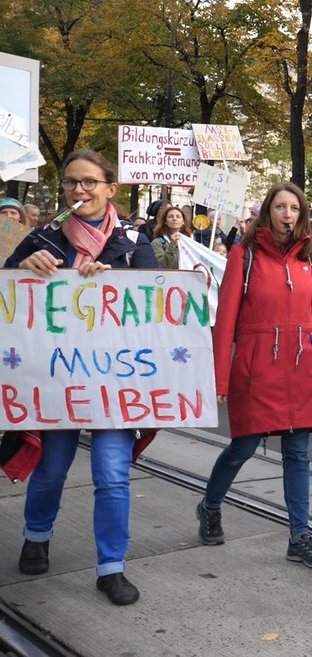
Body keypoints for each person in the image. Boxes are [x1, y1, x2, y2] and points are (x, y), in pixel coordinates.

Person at [9, 150, 159, 606]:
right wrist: (23, 267)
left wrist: (114, 284)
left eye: (90, 182)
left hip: (115, 381)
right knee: (52, 469)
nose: (80, 190)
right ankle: (37, 535)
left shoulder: (134, 243)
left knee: (112, 475)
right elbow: (6, 291)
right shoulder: (44, 237)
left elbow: (157, 306)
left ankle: (112, 567)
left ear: (110, 189)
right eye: (72, 182)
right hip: (58, 379)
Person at [194, 183, 312, 570]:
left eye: (294, 208)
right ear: (268, 212)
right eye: (280, 207)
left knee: (298, 453)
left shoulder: (311, 256)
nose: (288, 214)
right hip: (257, 367)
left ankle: (300, 536)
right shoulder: (245, 255)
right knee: (242, 447)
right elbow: (226, 320)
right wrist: (220, 379)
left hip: (300, 367)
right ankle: (210, 505)